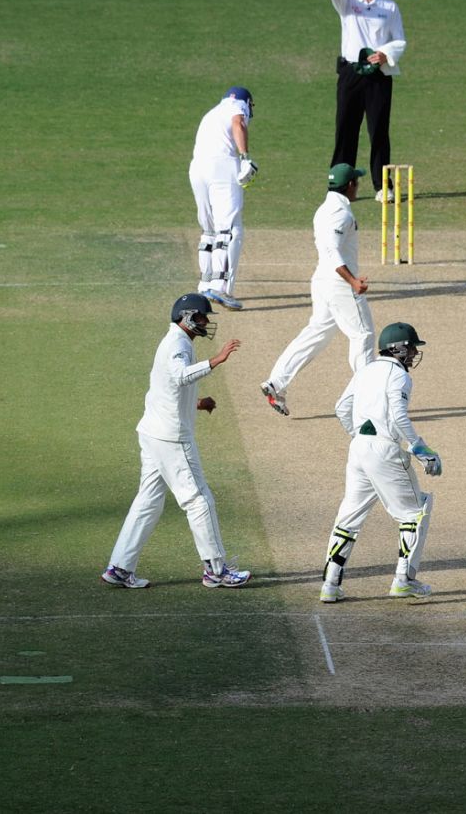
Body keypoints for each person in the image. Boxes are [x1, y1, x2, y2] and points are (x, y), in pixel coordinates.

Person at [102, 293, 252, 589]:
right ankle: (216, 570)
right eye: (201, 317)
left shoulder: (176, 341)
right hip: (171, 438)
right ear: (186, 317)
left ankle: (120, 567)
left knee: (148, 502)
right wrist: (216, 360)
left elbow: (164, 386)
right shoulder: (176, 344)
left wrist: (196, 402)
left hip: (153, 433)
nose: (206, 322)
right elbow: (180, 376)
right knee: (198, 500)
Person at [320, 322, 441, 602]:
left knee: (349, 517)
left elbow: (341, 407)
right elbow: (399, 417)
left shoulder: (365, 371)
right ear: (398, 349)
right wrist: (420, 449)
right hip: (385, 451)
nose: (413, 354)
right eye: (411, 348)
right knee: (415, 512)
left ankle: (330, 584)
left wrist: (360, 434)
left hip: (358, 450)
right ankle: (404, 580)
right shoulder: (399, 377)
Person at [260, 164, 375, 417]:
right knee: (363, 335)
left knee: (317, 333)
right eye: (356, 181)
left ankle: (276, 383)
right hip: (338, 284)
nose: (358, 186)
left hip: (322, 282)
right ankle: (366, 400)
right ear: (349, 186)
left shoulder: (324, 209)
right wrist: (353, 281)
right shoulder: (341, 214)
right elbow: (332, 250)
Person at [330, 0, 407, 202]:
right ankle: (339, 185)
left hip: (378, 76)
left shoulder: (389, 6)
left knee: (379, 130)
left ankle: (383, 186)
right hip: (351, 73)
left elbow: (400, 40)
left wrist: (385, 54)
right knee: (345, 127)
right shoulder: (347, 1)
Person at [189, 86, 258, 311]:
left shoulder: (211, 113)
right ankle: (220, 287)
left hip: (198, 168)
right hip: (222, 166)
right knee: (229, 228)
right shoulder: (237, 105)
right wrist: (245, 157)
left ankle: (205, 283)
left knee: (209, 229)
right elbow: (238, 123)